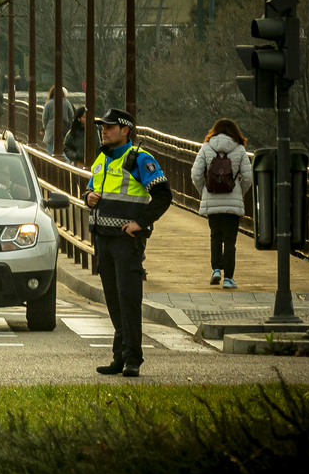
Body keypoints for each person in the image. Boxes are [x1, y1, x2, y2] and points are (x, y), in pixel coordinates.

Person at [84, 109, 172, 378]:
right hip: (103, 239)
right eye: (103, 126)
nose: (104, 130)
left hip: (126, 242)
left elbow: (163, 195)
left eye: (110, 127)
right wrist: (88, 196)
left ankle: (133, 357)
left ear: (126, 130)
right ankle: (119, 357)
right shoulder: (102, 158)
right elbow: (90, 188)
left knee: (128, 299)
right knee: (113, 300)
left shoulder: (139, 159)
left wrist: (141, 223)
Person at [191, 118, 253, 289]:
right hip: (232, 201)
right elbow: (248, 177)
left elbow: (195, 175)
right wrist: (239, 191)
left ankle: (216, 269)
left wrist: (205, 190)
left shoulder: (206, 147)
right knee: (230, 240)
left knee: (215, 236)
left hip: (212, 199)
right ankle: (229, 278)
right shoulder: (239, 149)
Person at [41, 86, 74, 158]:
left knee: (50, 149)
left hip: (50, 129)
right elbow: (72, 115)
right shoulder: (66, 102)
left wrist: (44, 127)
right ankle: (66, 164)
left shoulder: (49, 103)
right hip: (64, 128)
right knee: (64, 149)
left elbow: (45, 118)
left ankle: (52, 166)